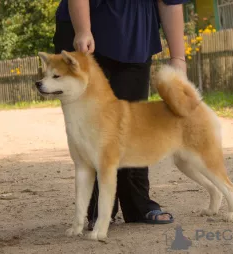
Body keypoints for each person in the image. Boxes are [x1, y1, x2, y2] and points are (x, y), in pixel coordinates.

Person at [53, 0, 187, 229]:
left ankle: (138, 203)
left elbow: (170, 2)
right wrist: (83, 29)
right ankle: (100, 207)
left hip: (135, 30)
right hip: (85, 23)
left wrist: (178, 58)